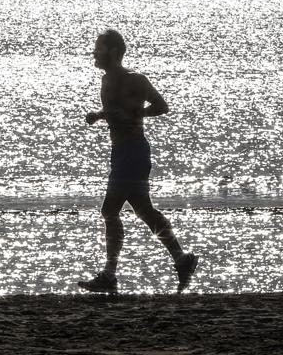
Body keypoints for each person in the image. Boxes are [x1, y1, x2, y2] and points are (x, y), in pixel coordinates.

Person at [78, 29, 198, 294]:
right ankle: (182, 259)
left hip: (133, 152)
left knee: (109, 210)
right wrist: (99, 115)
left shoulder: (136, 79)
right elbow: (113, 110)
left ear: (114, 51)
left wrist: (137, 113)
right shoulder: (106, 81)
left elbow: (161, 106)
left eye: (99, 48)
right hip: (121, 152)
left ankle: (110, 274)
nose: (94, 53)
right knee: (144, 210)